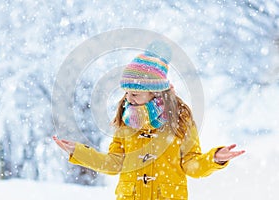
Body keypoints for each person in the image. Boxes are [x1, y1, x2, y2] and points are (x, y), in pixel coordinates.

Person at [53, 47, 245, 200]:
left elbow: (191, 165)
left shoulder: (181, 119)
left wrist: (214, 158)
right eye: (127, 93)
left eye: (135, 94)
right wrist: (77, 152)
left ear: (156, 92)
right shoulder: (125, 120)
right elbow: (114, 164)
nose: (129, 98)